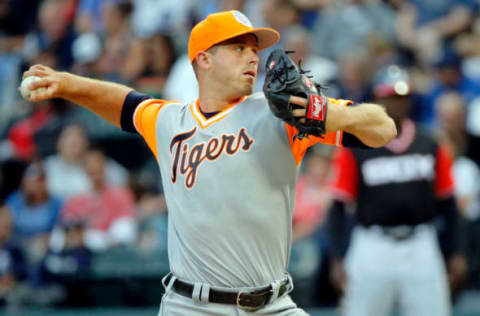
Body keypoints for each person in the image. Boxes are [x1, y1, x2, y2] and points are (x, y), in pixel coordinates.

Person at [20, 10, 396, 315]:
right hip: (190, 306)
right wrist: (68, 83)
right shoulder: (169, 121)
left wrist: (328, 114)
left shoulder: (281, 116)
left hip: (272, 306)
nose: (253, 56)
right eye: (239, 47)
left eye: (255, 49)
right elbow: (124, 102)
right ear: (204, 58)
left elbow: (384, 128)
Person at [327, 64, 467, 316]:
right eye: (390, 96)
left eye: (401, 97)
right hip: (372, 244)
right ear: (377, 99)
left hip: (421, 243)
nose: (396, 103)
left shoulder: (430, 143)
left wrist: (455, 251)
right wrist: (337, 256)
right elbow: (338, 204)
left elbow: (448, 202)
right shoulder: (355, 145)